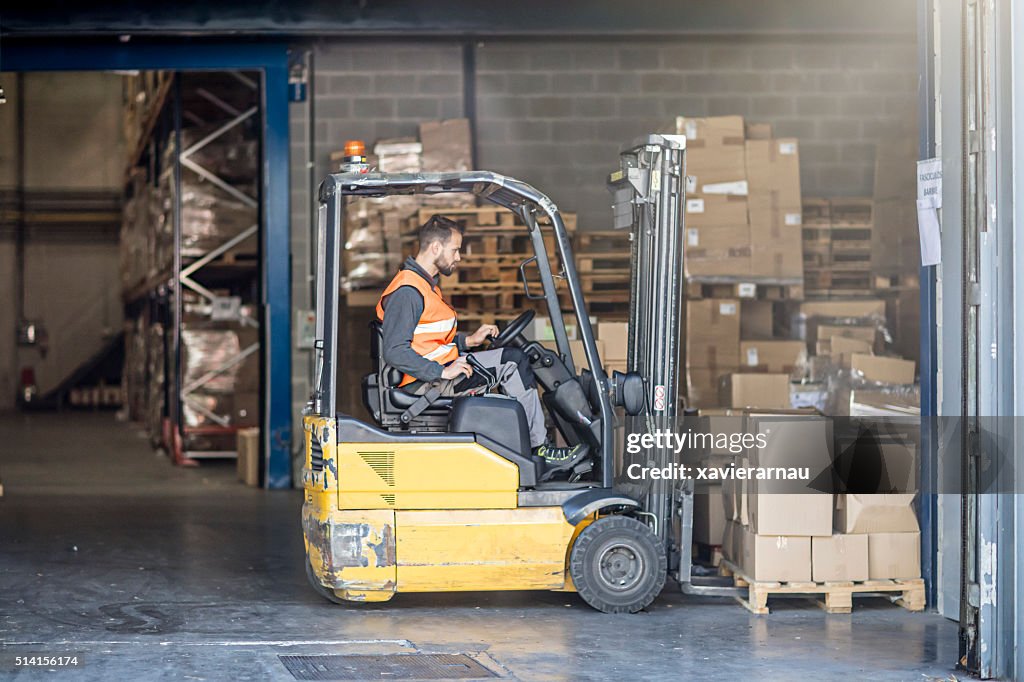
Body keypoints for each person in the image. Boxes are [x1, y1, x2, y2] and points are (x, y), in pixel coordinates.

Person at [376, 214, 585, 463]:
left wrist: (469, 341)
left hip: (434, 371)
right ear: (435, 247)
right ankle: (538, 450)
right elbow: (395, 350)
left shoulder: (423, 285)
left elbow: (427, 340)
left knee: (512, 358)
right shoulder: (408, 291)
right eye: (455, 250)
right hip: (425, 381)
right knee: (513, 362)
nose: (458, 257)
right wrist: (441, 373)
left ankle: (531, 447)